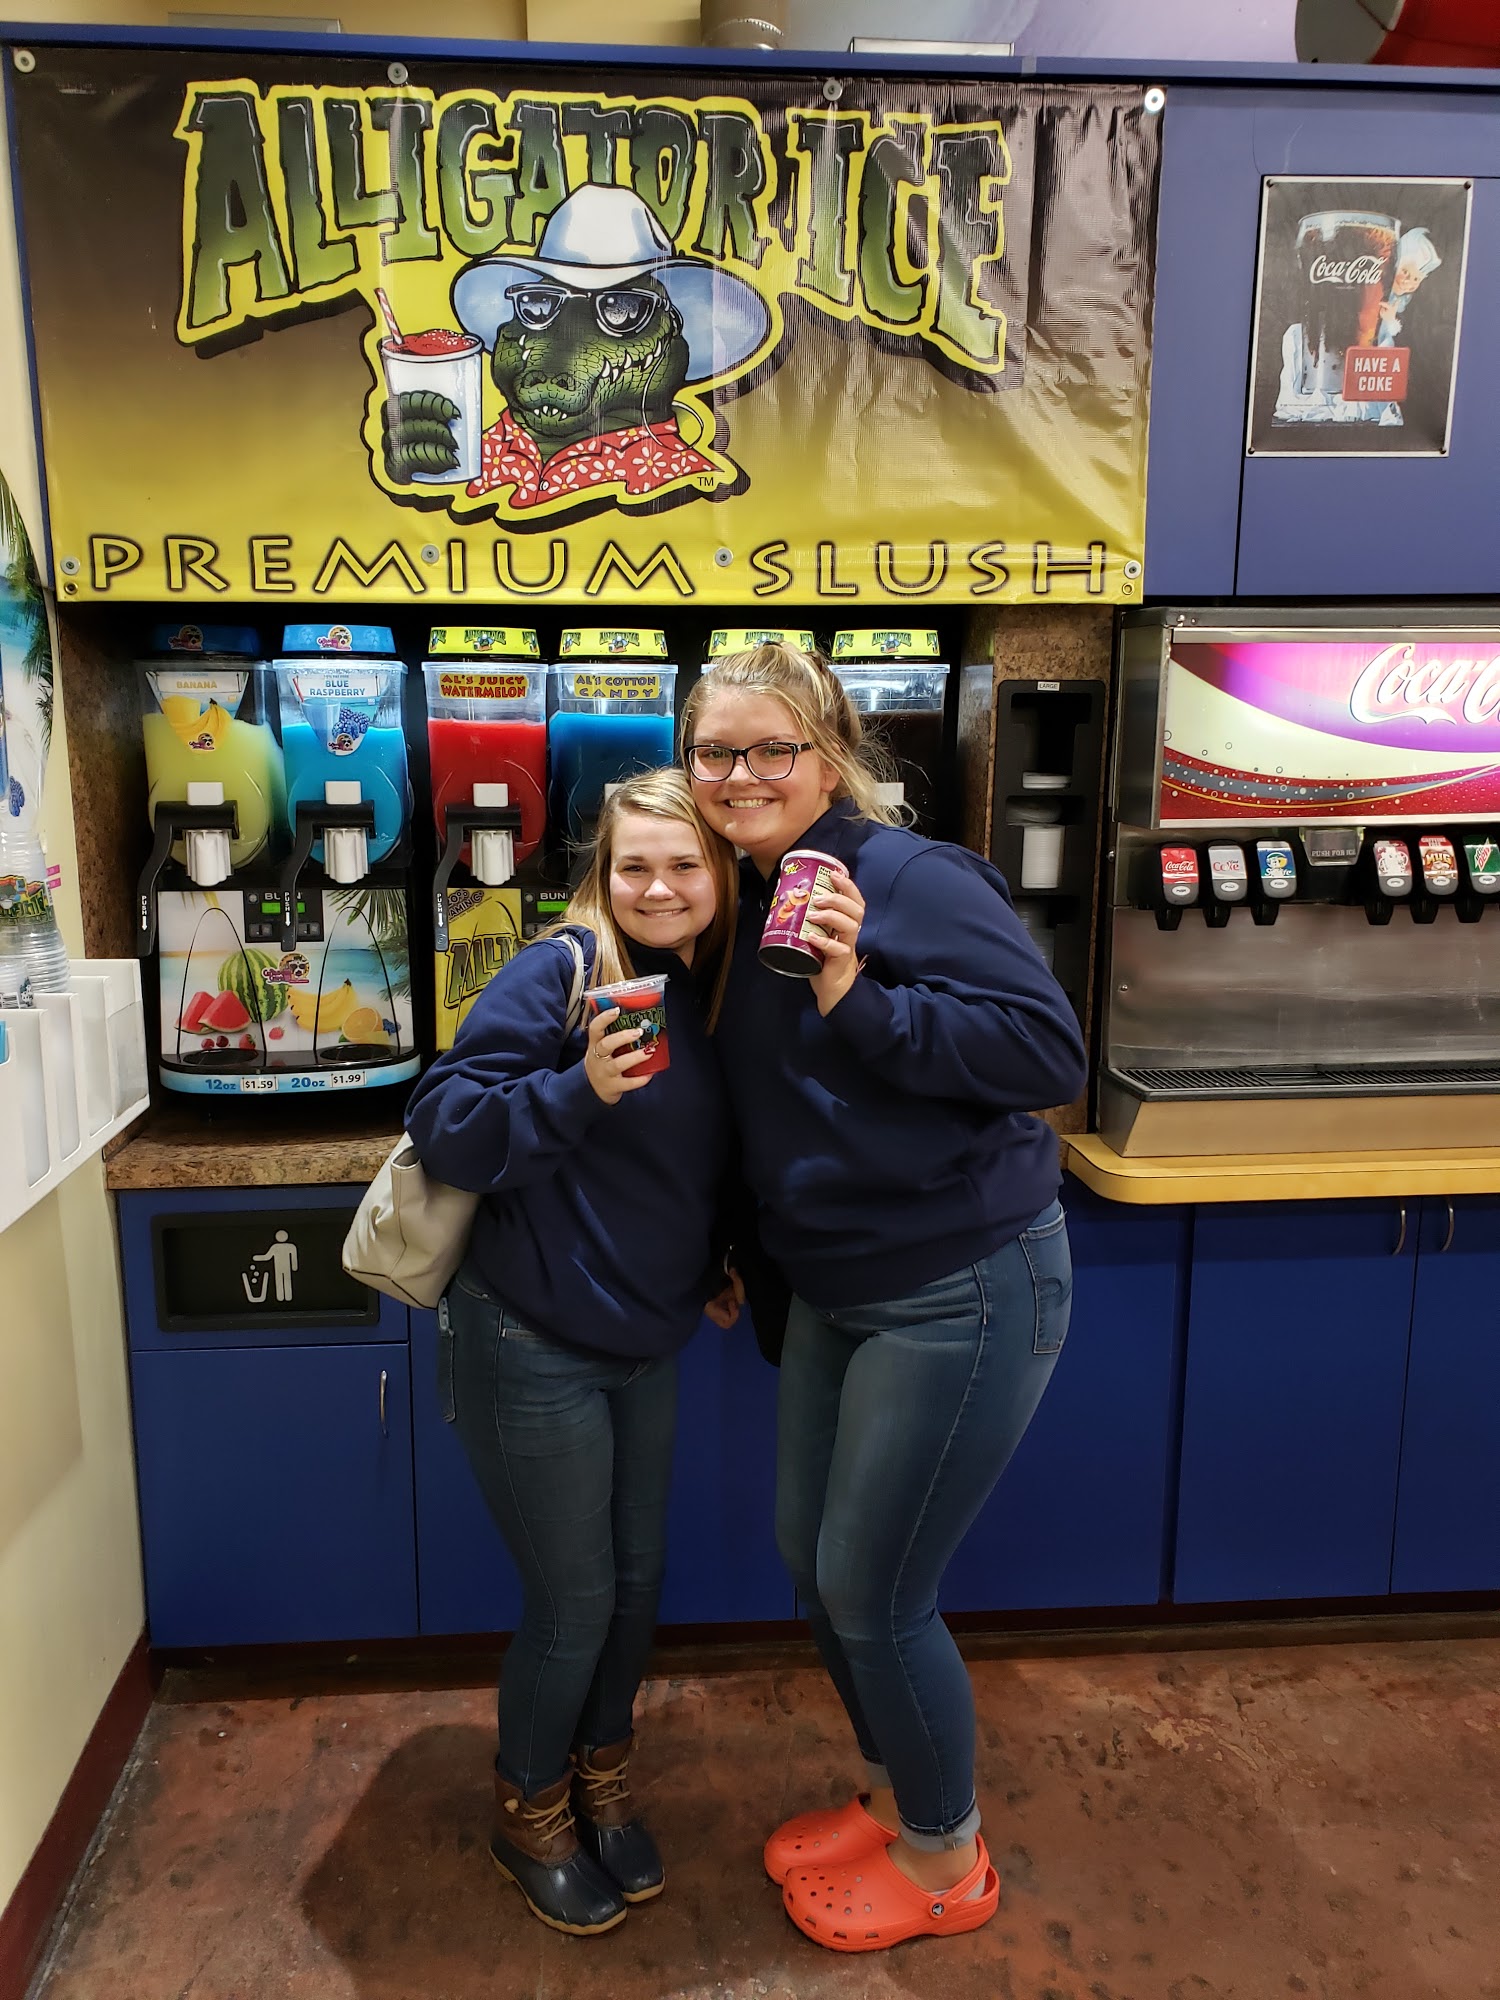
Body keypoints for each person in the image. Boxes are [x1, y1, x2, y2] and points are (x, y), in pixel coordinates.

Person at [682, 644, 1088, 1954]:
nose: (740, 775)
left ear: (830, 757)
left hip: (960, 1280)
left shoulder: (911, 878)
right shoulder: (748, 898)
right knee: (815, 1562)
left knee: (875, 1585)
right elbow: (770, 1102)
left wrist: (861, 997)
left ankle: (946, 1856)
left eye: (772, 749)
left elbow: (1047, 1052)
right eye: (715, 752)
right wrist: (734, 1240)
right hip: (835, 1284)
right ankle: (895, 1795)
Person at [404, 770, 740, 1939]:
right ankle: (530, 1812)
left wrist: (714, 1257)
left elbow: (695, 1159)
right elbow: (446, 1124)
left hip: (645, 1337)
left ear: (720, 873)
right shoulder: (563, 970)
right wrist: (577, 1089)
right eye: (634, 863)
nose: (659, 886)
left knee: (637, 1583)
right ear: (604, 868)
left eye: (685, 863)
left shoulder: (718, 988)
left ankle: (603, 1782)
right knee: (575, 1597)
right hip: (528, 1333)